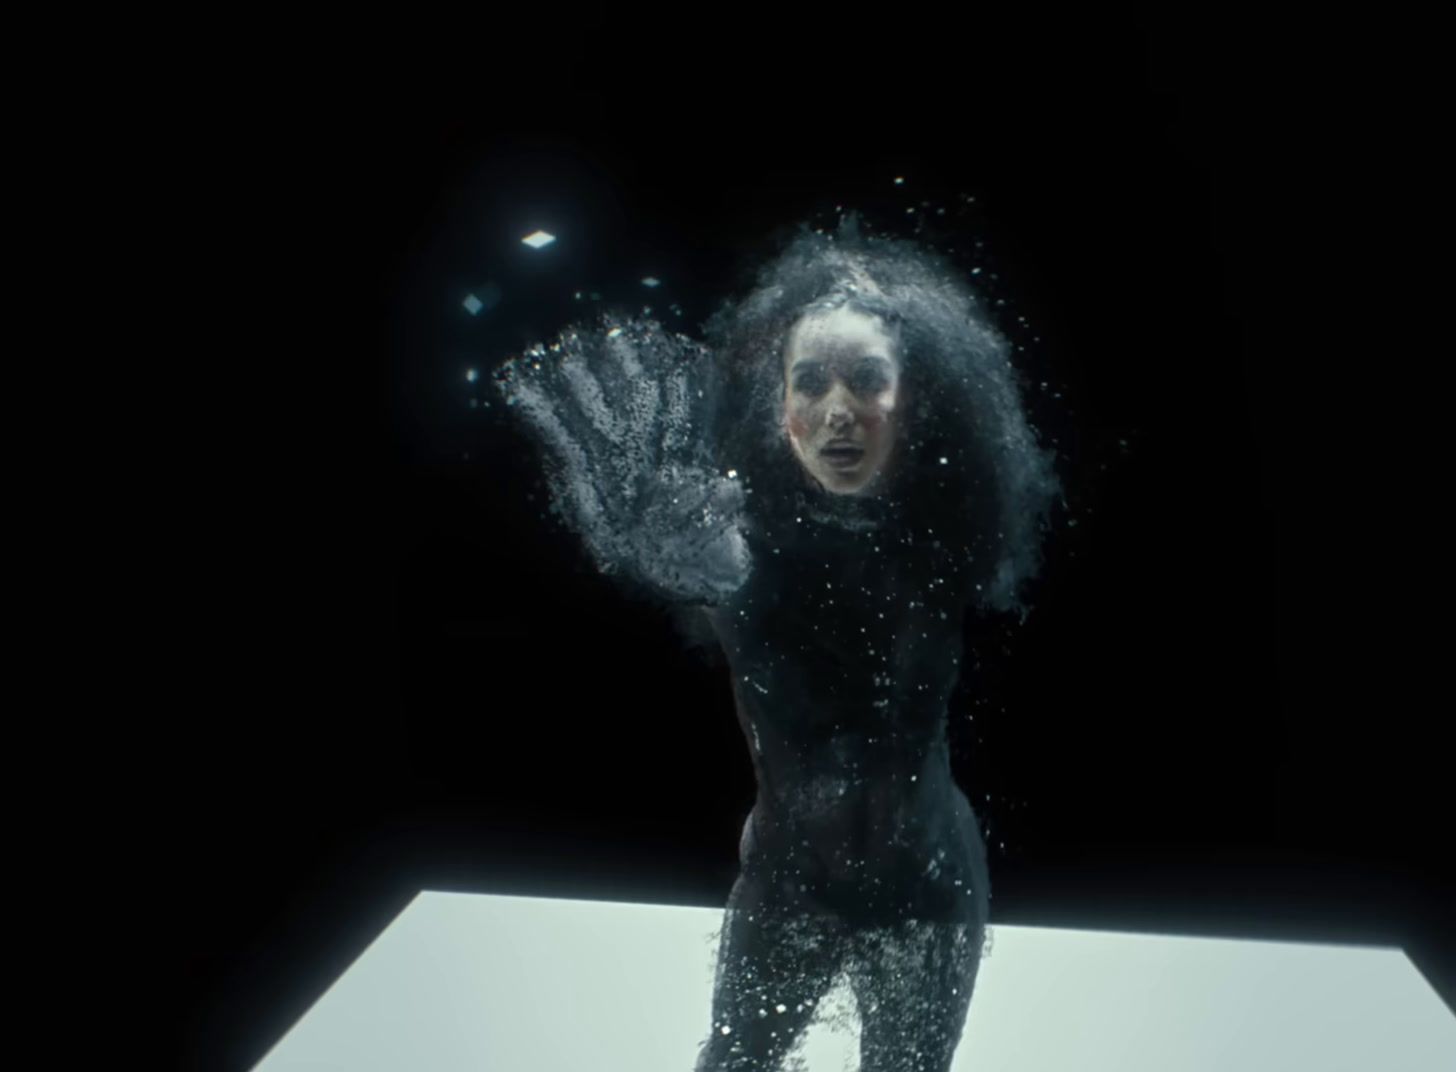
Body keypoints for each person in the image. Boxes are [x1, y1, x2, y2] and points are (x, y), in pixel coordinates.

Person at [495, 217, 1059, 1072]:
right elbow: (732, 569)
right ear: (781, 409)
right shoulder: (735, 542)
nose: (839, 412)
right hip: (788, 892)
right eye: (812, 384)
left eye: (867, 380)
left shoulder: (946, 539)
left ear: (915, 398)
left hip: (931, 895)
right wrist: (660, 549)